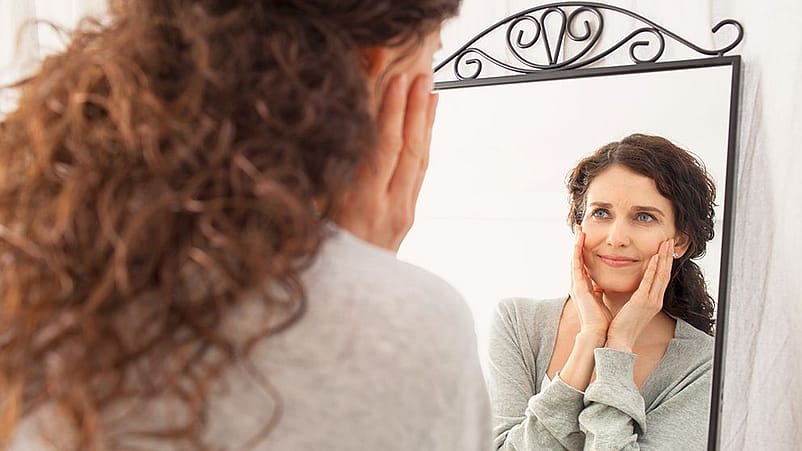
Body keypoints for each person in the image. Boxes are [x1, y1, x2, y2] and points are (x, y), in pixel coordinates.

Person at [0, 1, 491, 450]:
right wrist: (363, 281)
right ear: (373, 65)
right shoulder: (415, 329)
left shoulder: (28, 260)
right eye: (433, 53)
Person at [489, 134, 717, 450]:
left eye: (644, 217)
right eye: (601, 213)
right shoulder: (519, 322)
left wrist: (618, 348)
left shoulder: (705, 365)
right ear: (579, 224)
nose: (616, 237)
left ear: (679, 241)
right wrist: (590, 339)